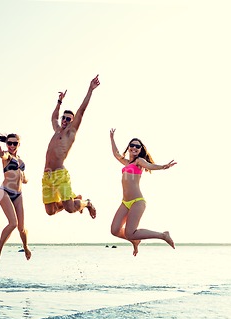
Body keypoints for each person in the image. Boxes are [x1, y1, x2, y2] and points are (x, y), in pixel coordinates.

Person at [109, 128, 176, 256]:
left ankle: (163, 235)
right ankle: (135, 241)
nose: (134, 148)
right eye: (132, 145)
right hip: (125, 202)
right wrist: (112, 138)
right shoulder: (127, 162)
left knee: (130, 232)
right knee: (115, 230)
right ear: (128, 147)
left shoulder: (139, 161)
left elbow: (150, 166)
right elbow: (116, 154)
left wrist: (163, 167)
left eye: (137, 146)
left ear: (140, 150)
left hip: (137, 202)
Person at [43, 75, 100, 218]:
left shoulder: (70, 132)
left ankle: (86, 203)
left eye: (69, 119)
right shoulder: (57, 130)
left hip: (60, 175)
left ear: (72, 121)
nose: (65, 120)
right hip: (47, 175)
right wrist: (59, 102)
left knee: (69, 208)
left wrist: (90, 89)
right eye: (64, 117)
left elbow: (81, 110)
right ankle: (75, 199)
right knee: (50, 211)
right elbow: (53, 117)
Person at [0, 134, 31, 267]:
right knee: (13, 223)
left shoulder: (20, 160)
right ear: (6, 144)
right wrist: (0, 153)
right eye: (9, 143)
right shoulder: (7, 156)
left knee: (21, 228)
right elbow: (4, 156)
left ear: (19, 145)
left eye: (15, 144)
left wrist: (25, 178)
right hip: (5, 192)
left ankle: (25, 247)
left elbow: (23, 179)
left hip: (18, 194)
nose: (12, 146)